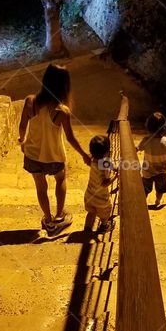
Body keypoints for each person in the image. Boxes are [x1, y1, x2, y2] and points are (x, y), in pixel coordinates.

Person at [18, 63, 92, 234]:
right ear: (64, 86)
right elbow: (70, 138)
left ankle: (48, 219)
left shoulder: (30, 101)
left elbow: (22, 126)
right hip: (54, 157)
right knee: (60, 179)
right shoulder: (62, 111)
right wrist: (84, 155)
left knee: (40, 187)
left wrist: (22, 141)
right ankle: (59, 216)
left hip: (32, 155)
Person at [136, 111, 166, 209]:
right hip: (161, 172)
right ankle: (157, 201)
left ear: (148, 126)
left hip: (147, 171)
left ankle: (142, 203)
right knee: (160, 189)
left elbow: (137, 149)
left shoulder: (146, 140)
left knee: (145, 189)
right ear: (164, 127)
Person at [84, 135, 116, 232]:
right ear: (106, 152)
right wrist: (116, 176)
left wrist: (114, 167)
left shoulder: (92, 160)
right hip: (101, 198)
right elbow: (104, 183)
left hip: (89, 195)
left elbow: (109, 164)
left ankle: (87, 228)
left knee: (91, 212)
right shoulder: (103, 166)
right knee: (105, 212)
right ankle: (104, 226)